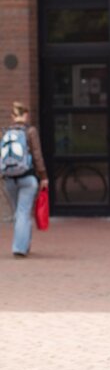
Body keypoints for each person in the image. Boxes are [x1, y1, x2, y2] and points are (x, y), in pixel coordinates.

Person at [2, 102, 48, 257]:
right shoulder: (30, 131)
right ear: (26, 115)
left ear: (12, 116)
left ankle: (24, 244)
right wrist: (43, 177)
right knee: (23, 212)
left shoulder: (6, 132)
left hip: (9, 180)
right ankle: (20, 248)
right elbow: (37, 155)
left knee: (19, 213)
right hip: (28, 179)